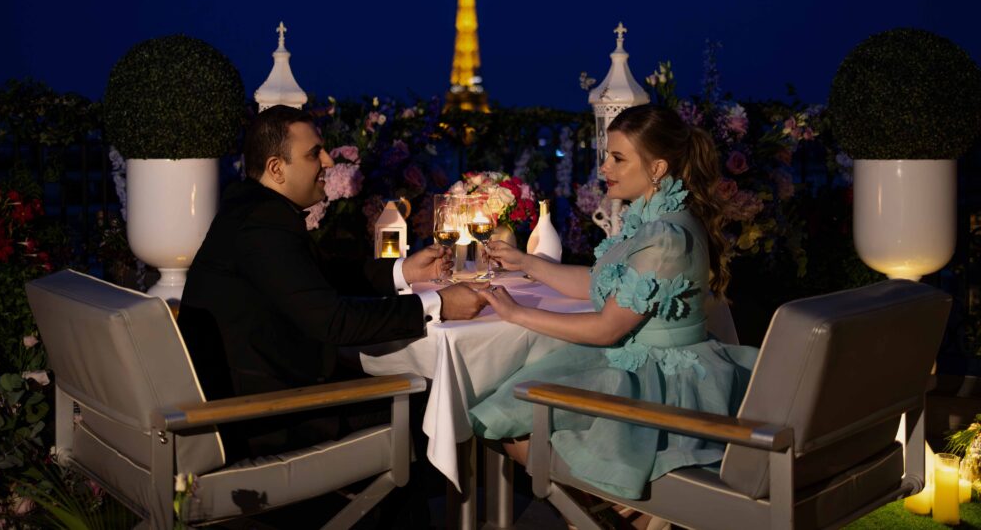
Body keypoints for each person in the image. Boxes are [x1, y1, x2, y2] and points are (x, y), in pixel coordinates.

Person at [472, 104, 759, 504]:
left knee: (516, 416)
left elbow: (609, 326)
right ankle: (610, 516)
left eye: (618, 158)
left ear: (657, 169)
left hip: (662, 381)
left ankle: (601, 516)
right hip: (640, 361)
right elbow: (600, 283)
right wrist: (526, 262)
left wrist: (517, 313)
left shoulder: (665, 235)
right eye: (606, 155)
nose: (603, 167)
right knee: (517, 402)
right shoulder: (653, 219)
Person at [177, 104, 486, 463]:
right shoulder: (263, 226)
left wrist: (404, 272)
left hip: (256, 395)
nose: (327, 162)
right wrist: (439, 305)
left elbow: (320, 278)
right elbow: (335, 322)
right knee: (433, 405)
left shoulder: (252, 208)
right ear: (277, 168)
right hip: (264, 418)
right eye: (313, 154)